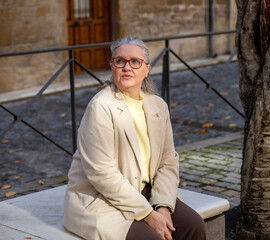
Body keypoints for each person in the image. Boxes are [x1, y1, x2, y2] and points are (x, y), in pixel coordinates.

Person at [63, 37, 206, 240]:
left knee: (194, 227)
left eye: (135, 62)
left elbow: (168, 161)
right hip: (102, 199)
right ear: (112, 66)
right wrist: (148, 214)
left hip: (146, 192)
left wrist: (163, 206)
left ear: (146, 69)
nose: (127, 67)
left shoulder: (158, 106)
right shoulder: (101, 106)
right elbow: (102, 174)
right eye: (120, 61)